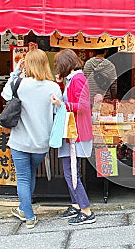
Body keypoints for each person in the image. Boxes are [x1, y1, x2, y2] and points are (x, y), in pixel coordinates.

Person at [1, 49, 62, 229]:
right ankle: (23, 208)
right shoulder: (53, 87)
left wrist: (16, 72)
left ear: (26, 64)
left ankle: (29, 215)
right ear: (45, 64)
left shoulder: (20, 84)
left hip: (20, 140)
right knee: (30, 173)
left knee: (23, 177)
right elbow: (57, 111)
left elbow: (5, 95)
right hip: (41, 142)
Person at [51, 49, 96, 225]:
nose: (56, 67)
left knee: (71, 172)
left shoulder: (78, 79)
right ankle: (76, 205)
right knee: (70, 170)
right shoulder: (74, 79)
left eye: (58, 64)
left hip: (75, 133)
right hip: (72, 132)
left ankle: (86, 211)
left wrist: (61, 103)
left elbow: (84, 106)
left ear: (65, 64)